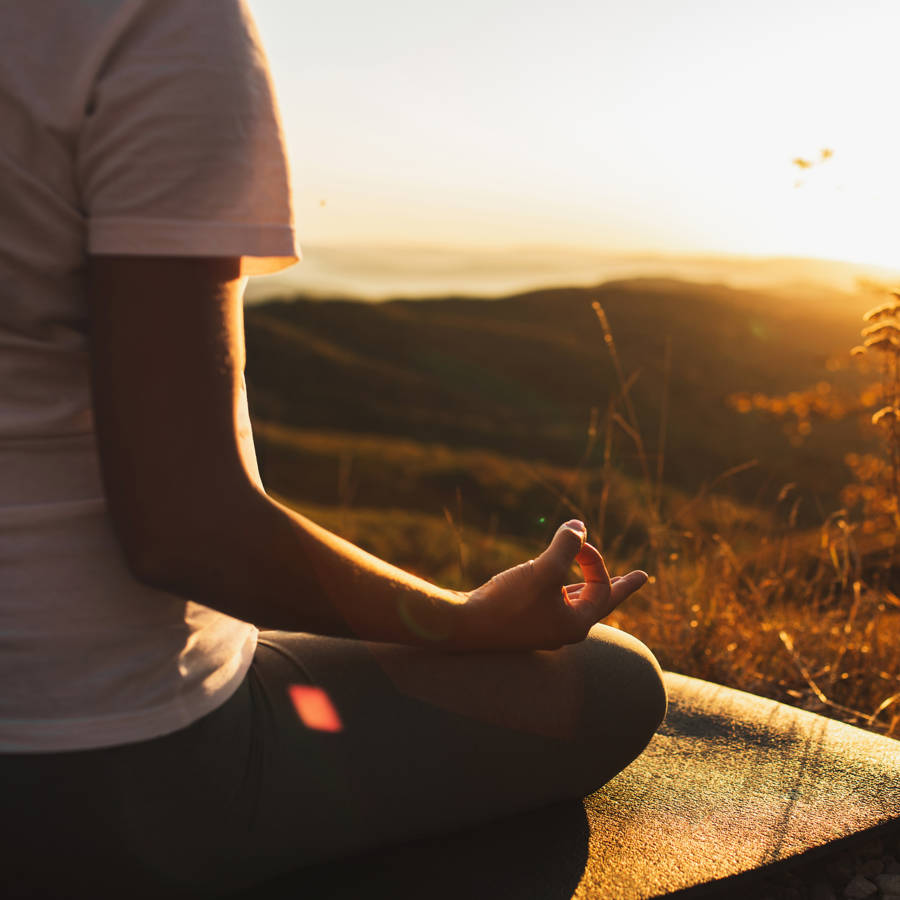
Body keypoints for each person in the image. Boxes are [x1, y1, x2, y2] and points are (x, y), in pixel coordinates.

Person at [0, 1, 667, 897]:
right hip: (91, 756)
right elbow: (183, 529)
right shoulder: (153, 21)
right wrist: (470, 620)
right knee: (616, 683)